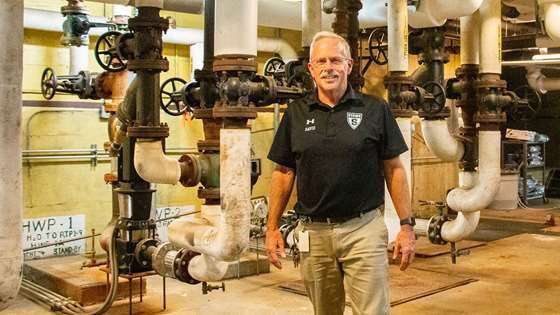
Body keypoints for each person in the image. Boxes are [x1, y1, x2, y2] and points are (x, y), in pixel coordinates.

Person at [265, 31, 416, 315]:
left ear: (349, 65)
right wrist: (272, 228)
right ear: (311, 69)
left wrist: (406, 226)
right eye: (320, 61)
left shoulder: (374, 109)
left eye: (336, 59)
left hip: (364, 229)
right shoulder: (296, 113)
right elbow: (283, 172)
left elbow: (394, 169)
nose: (328, 67)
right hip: (314, 232)